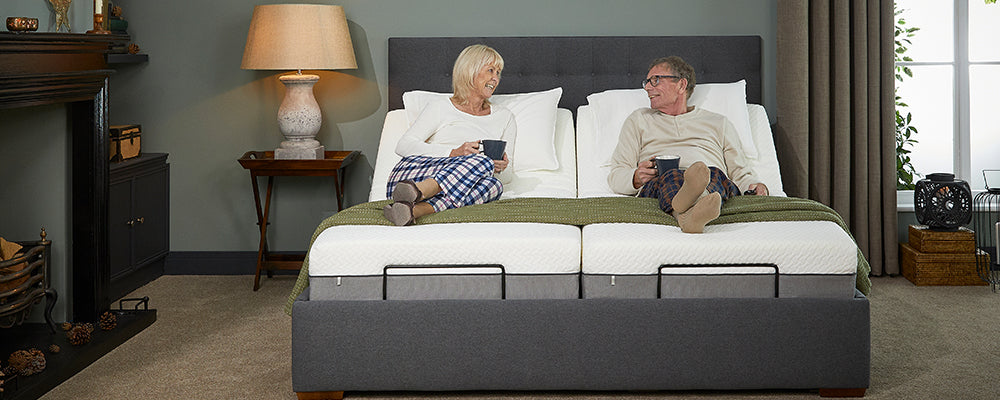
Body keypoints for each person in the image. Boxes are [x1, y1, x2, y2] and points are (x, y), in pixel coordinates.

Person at [607, 56, 768, 233]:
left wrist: (754, 186)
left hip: (711, 178)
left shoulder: (718, 122)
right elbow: (616, 175)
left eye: (655, 80)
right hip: (661, 182)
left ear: (681, 85)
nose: (647, 87)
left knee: (711, 173)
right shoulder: (639, 120)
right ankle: (699, 205)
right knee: (672, 176)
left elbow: (740, 172)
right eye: (647, 82)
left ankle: (686, 216)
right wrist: (637, 177)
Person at [383, 44, 517, 226]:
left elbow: (507, 177)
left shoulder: (505, 117)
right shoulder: (441, 107)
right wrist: (453, 152)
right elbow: (403, 145)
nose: (495, 78)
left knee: (494, 186)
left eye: (498, 73)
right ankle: (417, 191)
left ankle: (411, 211)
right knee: (482, 160)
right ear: (470, 71)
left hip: (455, 188)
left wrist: (502, 166)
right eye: (490, 70)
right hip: (409, 179)